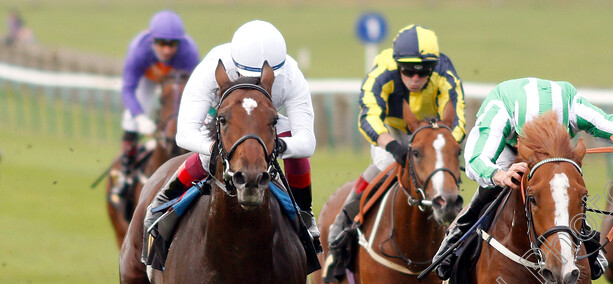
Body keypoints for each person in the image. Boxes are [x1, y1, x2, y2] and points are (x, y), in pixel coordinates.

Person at [432, 77, 613, 281]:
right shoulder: (502, 110)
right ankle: (458, 234)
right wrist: (499, 174)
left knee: (565, 184)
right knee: (495, 185)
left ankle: (582, 232)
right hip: (510, 151)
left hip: (555, 155)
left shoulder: (572, 107)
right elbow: (476, 158)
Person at [142, 19, 319, 270]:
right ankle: (162, 202)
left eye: (263, 79)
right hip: (224, 117)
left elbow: (307, 141)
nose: (256, 85)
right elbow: (184, 134)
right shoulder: (210, 69)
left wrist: (278, 147)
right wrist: (219, 150)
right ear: (235, 68)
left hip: (265, 121)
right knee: (208, 156)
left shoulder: (291, 76)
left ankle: (305, 213)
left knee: (298, 156)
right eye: (250, 77)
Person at [326, 24, 466, 251]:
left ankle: (461, 227)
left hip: (433, 131)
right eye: (408, 71)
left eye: (423, 72)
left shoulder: (445, 73)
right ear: (398, 64)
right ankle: (344, 217)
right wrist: (392, 146)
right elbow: (369, 117)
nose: (416, 78)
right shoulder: (383, 72)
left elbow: (458, 120)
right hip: (393, 129)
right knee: (386, 162)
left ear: (433, 66)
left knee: (445, 166)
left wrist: (444, 146)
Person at [114, 11, 200, 215]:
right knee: (131, 119)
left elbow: (197, 90)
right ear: (152, 40)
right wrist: (139, 116)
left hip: (176, 84)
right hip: (147, 79)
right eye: (161, 43)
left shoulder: (188, 53)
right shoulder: (139, 50)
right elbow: (128, 89)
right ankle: (125, 174)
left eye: (173, 44)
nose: (167, 50)